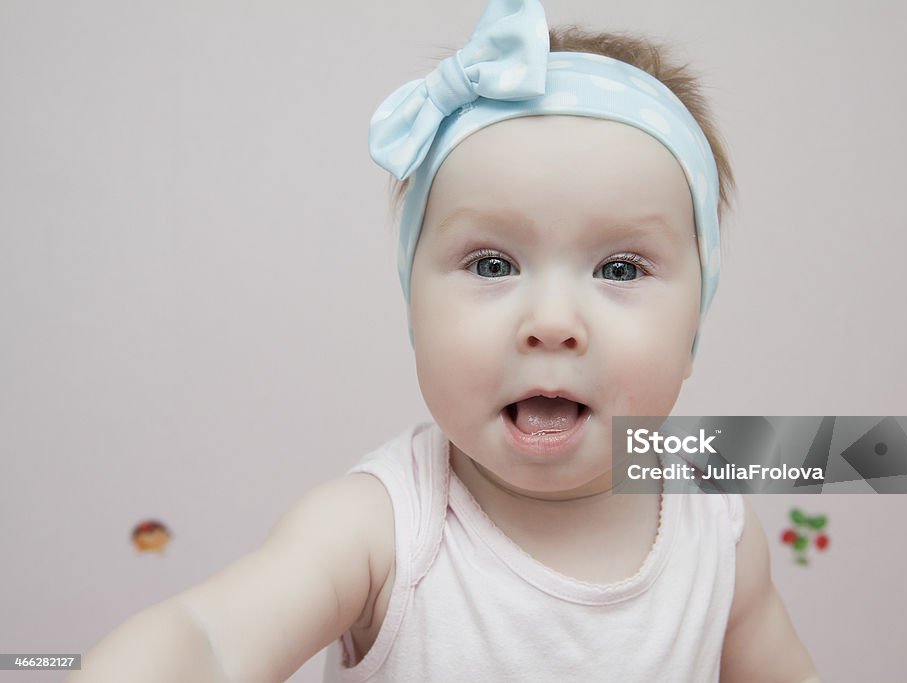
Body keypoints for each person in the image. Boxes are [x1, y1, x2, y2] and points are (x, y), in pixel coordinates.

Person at [69, 1, 822, 681]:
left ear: (693, 329)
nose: (552, 320)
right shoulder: (382, 529)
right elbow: (209, 634)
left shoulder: (714, 530)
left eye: (619, 267)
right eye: (492, 263)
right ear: (413, 311)